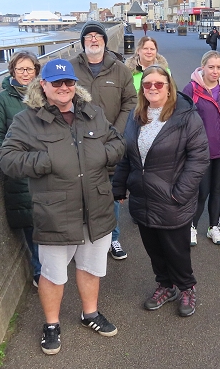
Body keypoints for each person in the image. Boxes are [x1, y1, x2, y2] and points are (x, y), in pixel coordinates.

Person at [0, 59, 125, 355]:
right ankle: (52, 324)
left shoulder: (93, 113)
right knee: (53, 274)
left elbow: (118, 143)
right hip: (55, 212)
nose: (64, 88)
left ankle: (89, 313)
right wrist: (44, 162)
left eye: (68, 82)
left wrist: (102, 155)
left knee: (91, 268)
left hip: (96, 208)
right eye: (57, 83)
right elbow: (8, 158)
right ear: (43, 85)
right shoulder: (27, 121)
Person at [112, 65, 209, 317]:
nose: (152, 88)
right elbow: (126, 156)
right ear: (141, 89)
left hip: (172, 198)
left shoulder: (186, 116)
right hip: (143, 198)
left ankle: (187, 287)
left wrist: (180, 193)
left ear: (169, 87)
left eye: (158, 84)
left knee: (176, 250)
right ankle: (166, 285)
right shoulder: (136, 117)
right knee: (154, 248)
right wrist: (119, 186)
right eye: (147, 84)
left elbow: (199, 158)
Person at [70, 21, 137, 260]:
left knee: (110, 194)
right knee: (78, 193)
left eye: (98, 36)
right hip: (77, 145)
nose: (94, 39)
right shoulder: (70, 69)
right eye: (89, 37)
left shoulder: (120, 70)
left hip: (110, 143)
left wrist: (116, 133)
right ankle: (82, 239)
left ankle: (113, 239)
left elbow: (130, 102)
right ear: (83, 42)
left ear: (105, 42)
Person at [0, 51, 41, 287]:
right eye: (21, 69)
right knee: (30, 223)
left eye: (29, 69)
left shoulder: (46, 94)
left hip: (46, 167)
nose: (25, 74)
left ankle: (50, 268)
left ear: (37, 71)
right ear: (12, 72)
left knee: (49, 219)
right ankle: (40, 272)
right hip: (20, 171)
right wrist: (11, 161)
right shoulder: (2, 100)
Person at [182, 51, 220, 245]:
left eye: (219, 67)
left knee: (216, 189)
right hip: (201, 151)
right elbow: (182, 117)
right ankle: (192, 227)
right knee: (201, 191)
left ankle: (214, 227)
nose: (215, 71)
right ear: (203, 67)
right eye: (211, 67)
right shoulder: (191, 89)